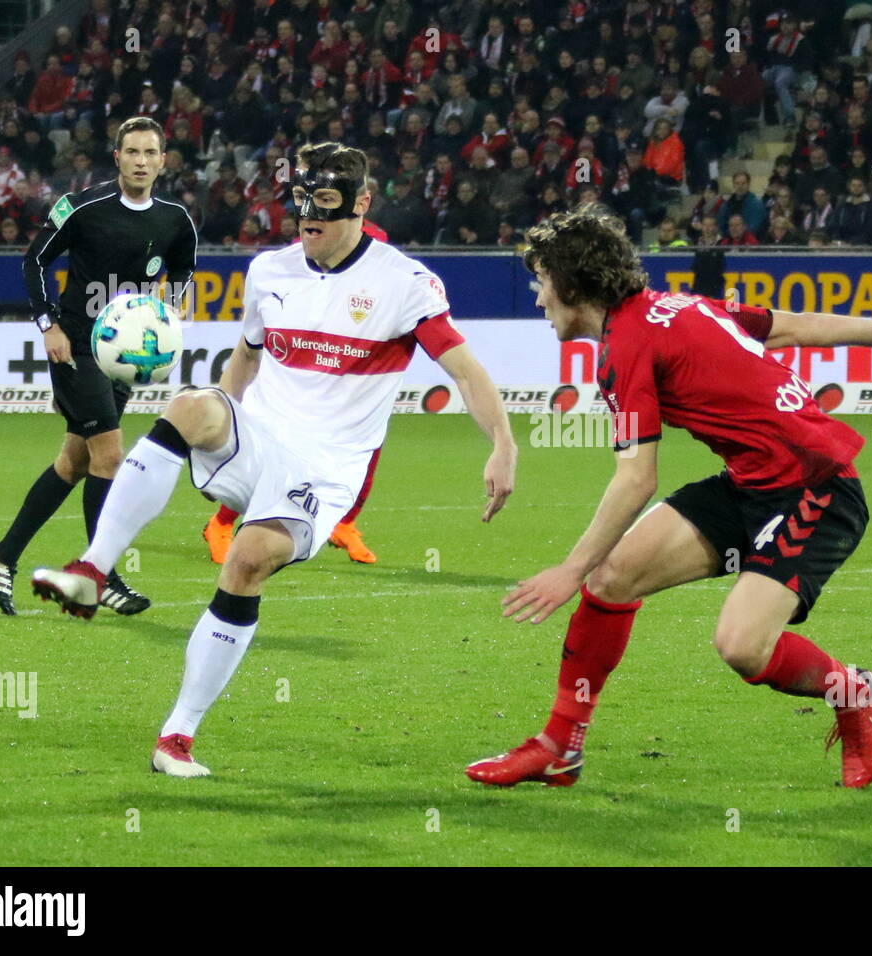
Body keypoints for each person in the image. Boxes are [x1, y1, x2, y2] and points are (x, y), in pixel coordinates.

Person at [31, 145, 517, 777]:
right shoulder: (270, 271)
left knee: (248, 560)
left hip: (327, 465)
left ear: (361, 204)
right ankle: (93, 571)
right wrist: (219, 418)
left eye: (324, 209)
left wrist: (503, 443)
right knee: (188, 405)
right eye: (301, 208)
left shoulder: (405, 284)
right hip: (259, 433)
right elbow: (247, 356)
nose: (308, 222)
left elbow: (465, 370)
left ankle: (177, 736)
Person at [465, 207, 872, 790]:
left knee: (741, 647)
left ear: (573, 284)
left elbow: (636, 479)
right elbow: (787, 327)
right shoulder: (677, 307)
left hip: (815, 488)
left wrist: (567, 569)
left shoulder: (627, 347)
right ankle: (559, 746)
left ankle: (853, 691)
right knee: (612, 579)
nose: (538, 297)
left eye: (542, 281)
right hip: (752, 481)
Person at [0, 117, 196, 616]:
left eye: (150, 153)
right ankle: (104, 576)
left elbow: (183, 266)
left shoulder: (175, 218)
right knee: (110, 456)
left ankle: (1, 555)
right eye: (132, 152)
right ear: (116, 157)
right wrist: (48, 326)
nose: (141, 161)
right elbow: (34, 261)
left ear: (164, 161)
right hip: (77, 345)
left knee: (74, 462)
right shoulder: (81, 207)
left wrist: (171, 306)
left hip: (126, 359)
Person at [202, 142, 392, 565]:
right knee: (275, 450)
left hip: (351, 364)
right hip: (300, 361)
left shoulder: (375, 244)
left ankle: (344, 522)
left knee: (371, 438)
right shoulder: (300, 249)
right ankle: (221, 522)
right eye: (302, 186)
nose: (307, 197)